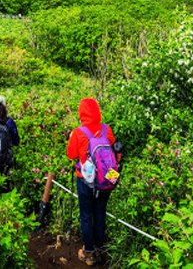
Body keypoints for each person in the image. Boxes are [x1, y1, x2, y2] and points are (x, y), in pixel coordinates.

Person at [67, 98, 118, 266]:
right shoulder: (106, 129)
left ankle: (88, 254)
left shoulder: (78, 132)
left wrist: (71, 138)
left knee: (87, 216)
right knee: (100, 213)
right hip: (106, 179)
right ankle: (101, 249)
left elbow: (71, 155)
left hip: (85, 180)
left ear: (81, 113)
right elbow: (112, 153)